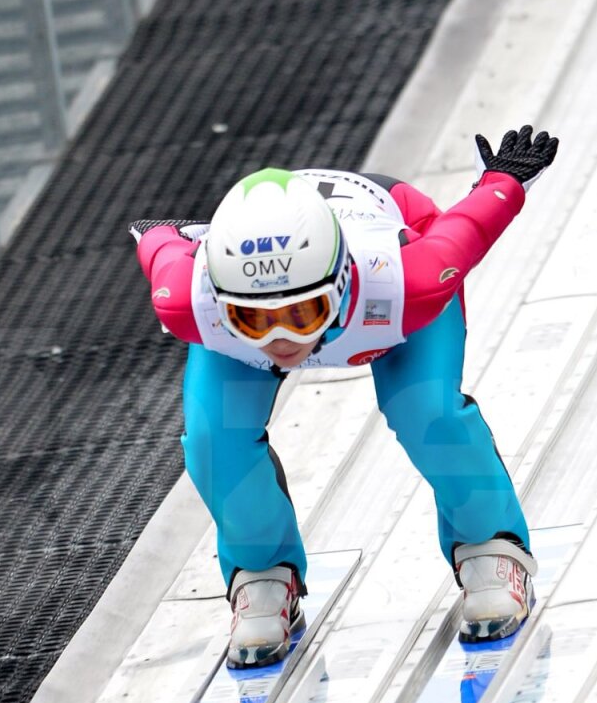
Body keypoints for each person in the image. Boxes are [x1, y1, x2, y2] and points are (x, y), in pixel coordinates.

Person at [131, 124, 558, 667]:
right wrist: (500, 183)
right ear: (219, 298)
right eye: (252, 319)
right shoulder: (187, 299)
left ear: (341, 283)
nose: (281, 340)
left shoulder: (411, 279)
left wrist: (504, 181)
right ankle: (261, 573)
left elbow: (464, 229)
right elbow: (159, 243)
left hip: (394, 243)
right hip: (338, 303)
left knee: (426, 412)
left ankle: (491, 546)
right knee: (215, 440)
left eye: (301, 312)